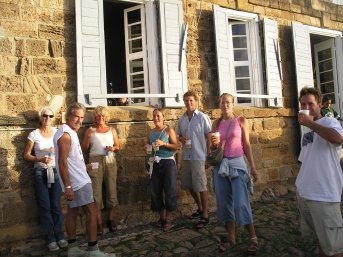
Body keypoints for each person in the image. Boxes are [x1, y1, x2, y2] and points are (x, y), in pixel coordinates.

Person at [53, 103, 116, 257]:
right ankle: (93, 250)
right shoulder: (66, 135)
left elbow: (71, 159)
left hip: (77, 178)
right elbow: (62, 162)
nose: (79, 120)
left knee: (72, 212)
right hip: (78, 182)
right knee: (92, 212)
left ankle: (73, 249)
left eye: (81, 117)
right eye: (76, 117)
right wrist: (68, 186)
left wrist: (83, 166)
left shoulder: (67, 131)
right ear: (68, 116)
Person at [297, 87, 343, 257]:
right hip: (306, 193)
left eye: (311, 104)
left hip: (324, 195)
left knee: (335, 249)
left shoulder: (329, 122)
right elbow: (306, 159)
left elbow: (338, 139)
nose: (306, 107)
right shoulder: (307, 129)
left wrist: (309, 122)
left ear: (320, 105)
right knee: (321, 242)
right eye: (303, 104)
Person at [210, 93, 258, 254]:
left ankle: (253, 238)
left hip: (237, 164)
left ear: (233, 104)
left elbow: (247, 145)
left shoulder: (241, 121)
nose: (225, 105)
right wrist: (214, 145)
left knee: (241, 202)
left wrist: (253, 167)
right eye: (223, 102)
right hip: (221, 166)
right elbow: (212, 148)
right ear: (220, 105)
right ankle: (231, 238)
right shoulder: (216, 123)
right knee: (224, 203)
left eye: (228, 102)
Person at [23, 107, 68, 252]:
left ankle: (60, 236)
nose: (47, 118)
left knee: (56, 205)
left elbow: (66, 149)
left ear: (53, 117)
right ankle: (50, 239)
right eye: (45, 116)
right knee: (44, 207)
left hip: (54, 171)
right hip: (40, 172)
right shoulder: (34, 134)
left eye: (50, 116)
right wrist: (39, 158)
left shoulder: (57, 132)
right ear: (40, 117)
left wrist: (58, 150)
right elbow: (26, 155)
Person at [81, 106, 120, 235]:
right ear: (95, 117)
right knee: (96, 194)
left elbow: (118, 146)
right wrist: (88, 137)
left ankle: (110, 219)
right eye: (98, 115)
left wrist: (112, 148)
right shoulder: (90, 130)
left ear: (106, 117)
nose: (101, 118)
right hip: (95, 161)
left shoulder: (111, 130)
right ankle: (98, 223)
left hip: (109, 160)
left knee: (112, 191)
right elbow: (84, 148)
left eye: (103, 116)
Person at [176, 91, 212, 229]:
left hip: (199, 156)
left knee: (201, 186)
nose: (188, 103)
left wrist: (208, 154)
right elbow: (179, 135)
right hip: (186, 156)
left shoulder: (203, 117)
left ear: (196, 101)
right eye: (186, 101)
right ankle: (200, 208)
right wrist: (181, 139)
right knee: (189, 185)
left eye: (190, 100)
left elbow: (209, 136)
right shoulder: (182, 119)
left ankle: (205, 215)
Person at [145, 108, 178, 232]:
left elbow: (176, 147)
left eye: (158, 116)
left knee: (170, 190)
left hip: (168, 162)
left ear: (163, 117)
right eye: (154, 116)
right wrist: (147, 148)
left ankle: (168, 219)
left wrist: (164, 144)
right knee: (155, 191)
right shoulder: (150, 132)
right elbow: (148, 147)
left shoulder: (169, 130)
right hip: (155, 163)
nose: (156, 118)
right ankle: (162, 218)